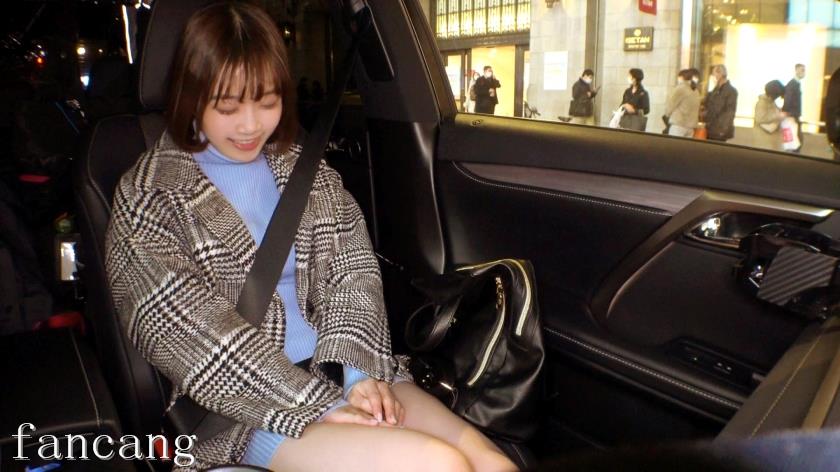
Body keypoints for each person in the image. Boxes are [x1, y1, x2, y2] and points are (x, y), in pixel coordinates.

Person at [104, 3, 516, 471]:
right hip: (245, 407)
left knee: (493, 463)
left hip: (346, 369)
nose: (250, 125)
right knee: (438, 464)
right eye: (228, 106)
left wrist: (358, 376)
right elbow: (183, 329)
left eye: (267, 102)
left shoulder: (306, 173)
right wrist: (313, 403)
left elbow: (353, 272)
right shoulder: (149, 196)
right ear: (191, 96)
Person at [702, 65, 738, 142]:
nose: (713, 77)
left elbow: (730, 112)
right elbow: (707, 104)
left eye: (714, 74)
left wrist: (723, 129)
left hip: (720, 130)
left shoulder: (731, 91)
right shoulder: (714, 90)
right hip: (710, 127)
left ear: (720, 74)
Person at [664, 69, 701, 138]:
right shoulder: (696, 91)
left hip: (679, 125)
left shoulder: (681, 88)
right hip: (691, 127)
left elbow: (670, 105)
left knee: (673, 144)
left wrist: (667, 114)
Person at [753, 80, 786, 151]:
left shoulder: (771, 102)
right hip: (764, 139)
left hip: (770, 138)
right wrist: (778, 116)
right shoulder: (762, 103)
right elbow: (760, 119)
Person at [782, 64, 806, 152]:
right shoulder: (792, 85)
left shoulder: (796, 84)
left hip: (793, 116)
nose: (804, 72)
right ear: (796, 70)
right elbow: (788, 100)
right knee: (795, 142)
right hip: (792, 117)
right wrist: (788, 114)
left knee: (795, 141)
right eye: (802, 70)